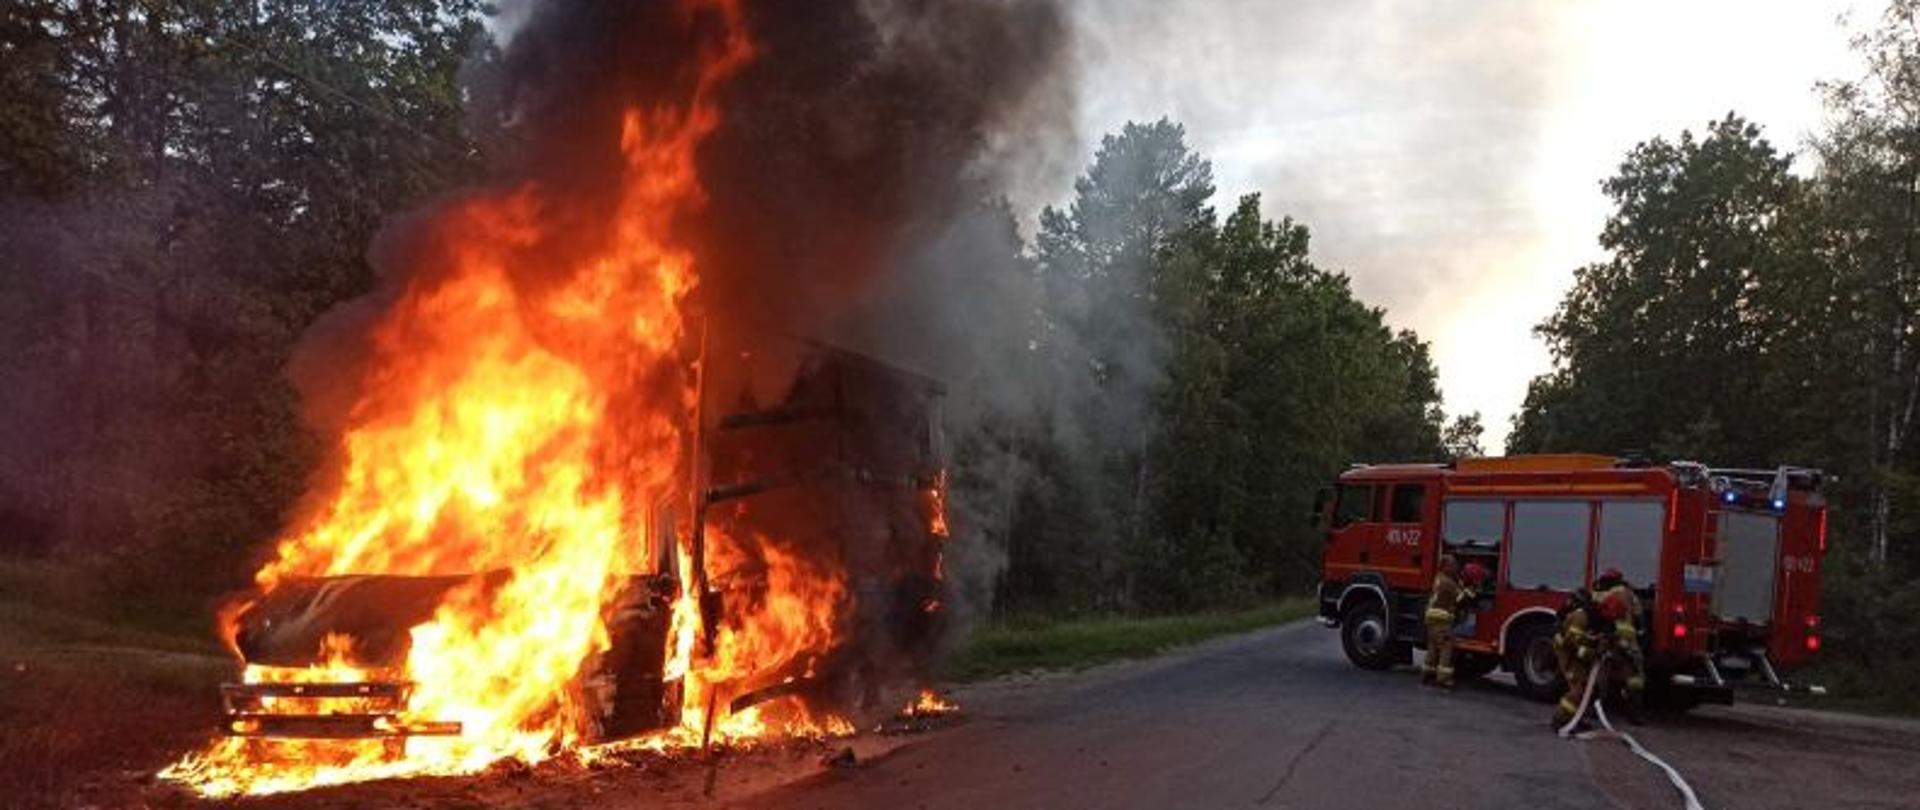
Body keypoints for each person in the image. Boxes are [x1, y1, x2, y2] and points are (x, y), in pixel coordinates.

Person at [1593, 568, 1646, 723]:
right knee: (1635, 676)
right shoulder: (1629, 594)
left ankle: (1596, 709)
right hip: (1628, 641)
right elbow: (1639, 615)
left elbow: (1592, 611)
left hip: (1609, 639)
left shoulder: (1601, 594)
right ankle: (1634, 714)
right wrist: (1641, 631)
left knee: (1601, 673)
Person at [1423, 554, 1479, 688]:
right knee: (1446, 647)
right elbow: (1460, 600)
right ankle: (1443, 678)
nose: (1456, 568)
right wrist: (1472, 589)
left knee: (1433, 646)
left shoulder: (1439, 578)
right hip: (1442, 619)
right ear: (1445, 567)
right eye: (1452, 565)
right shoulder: (1448, 583)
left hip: (1431, 617)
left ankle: (1428, 673)